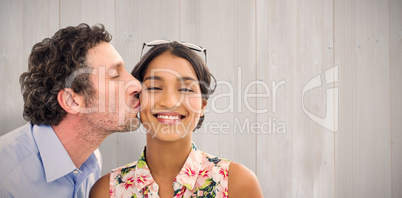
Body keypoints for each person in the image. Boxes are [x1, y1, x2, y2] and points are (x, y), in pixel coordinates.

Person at [90, 41, 263, 197]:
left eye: (186, 90)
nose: (170, 102)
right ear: (137, 99)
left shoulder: (237, 184)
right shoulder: (107, 191)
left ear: (202, 105)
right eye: (155, 87)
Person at [0, 23, 142, 197]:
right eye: (114, 75)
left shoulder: (92, 160)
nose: (136, 84)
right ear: (72, 101)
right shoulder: (6, 179)